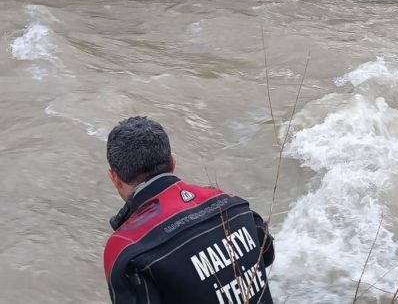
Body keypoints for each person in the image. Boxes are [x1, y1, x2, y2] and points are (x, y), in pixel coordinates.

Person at [103, 116, 275, 304]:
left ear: (115, 179)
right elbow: (267, 253)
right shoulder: (232, 203)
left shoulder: (126, 249)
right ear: (173, 163)